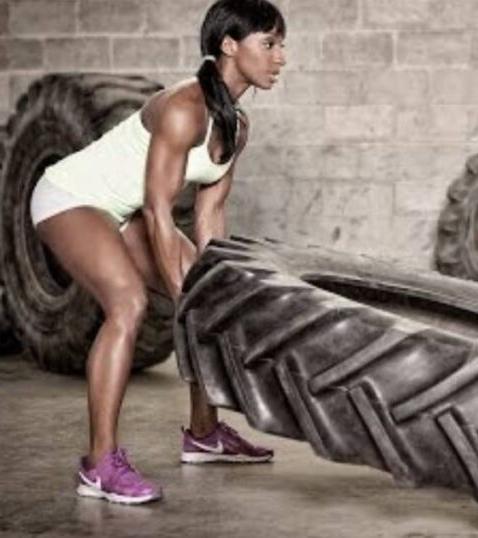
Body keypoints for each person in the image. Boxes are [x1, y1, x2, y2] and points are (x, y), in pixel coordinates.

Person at [28, 0, 287, 505]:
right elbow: (158, 210)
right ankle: (99, 464)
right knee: (129, 303)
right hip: (71, 198)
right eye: (269, 44)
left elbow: (209, 218)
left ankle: (204, 434)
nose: (281, 59)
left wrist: (206, 289)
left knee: (206, 300)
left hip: (124, 212)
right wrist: (182, 293)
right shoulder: (183, 108)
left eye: (281, 45)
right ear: (230, 46)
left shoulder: (236, 124)